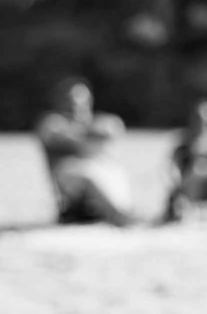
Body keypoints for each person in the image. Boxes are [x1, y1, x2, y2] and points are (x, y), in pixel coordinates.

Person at [36, 77, 134, 225]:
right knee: (87, 173)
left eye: (82, 102)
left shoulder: (92, 123)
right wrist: (88, 135)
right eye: (71, 102)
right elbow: (63, 137)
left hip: (94, 177)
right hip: (70, 181)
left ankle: (125, 211)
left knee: (114, 170)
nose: (77, 107)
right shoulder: (52, 122)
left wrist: (88, 132)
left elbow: (115, 127)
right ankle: (121, 218)